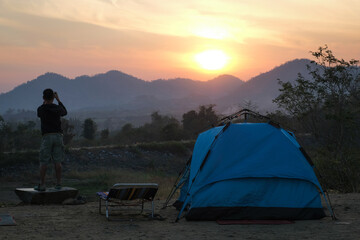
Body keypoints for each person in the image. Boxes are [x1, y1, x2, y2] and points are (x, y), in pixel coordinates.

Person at [35, 89, 67, 191]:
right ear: (53, 98)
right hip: (58, 136)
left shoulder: (41, 109)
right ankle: (58, 184)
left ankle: (42, 184)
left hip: (47, 137)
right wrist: (58, 100)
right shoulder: (57, 108)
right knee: (58, 161)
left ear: (43, 98)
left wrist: (45, 102)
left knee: (44, 161)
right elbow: (64, 112)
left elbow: (40, 113)